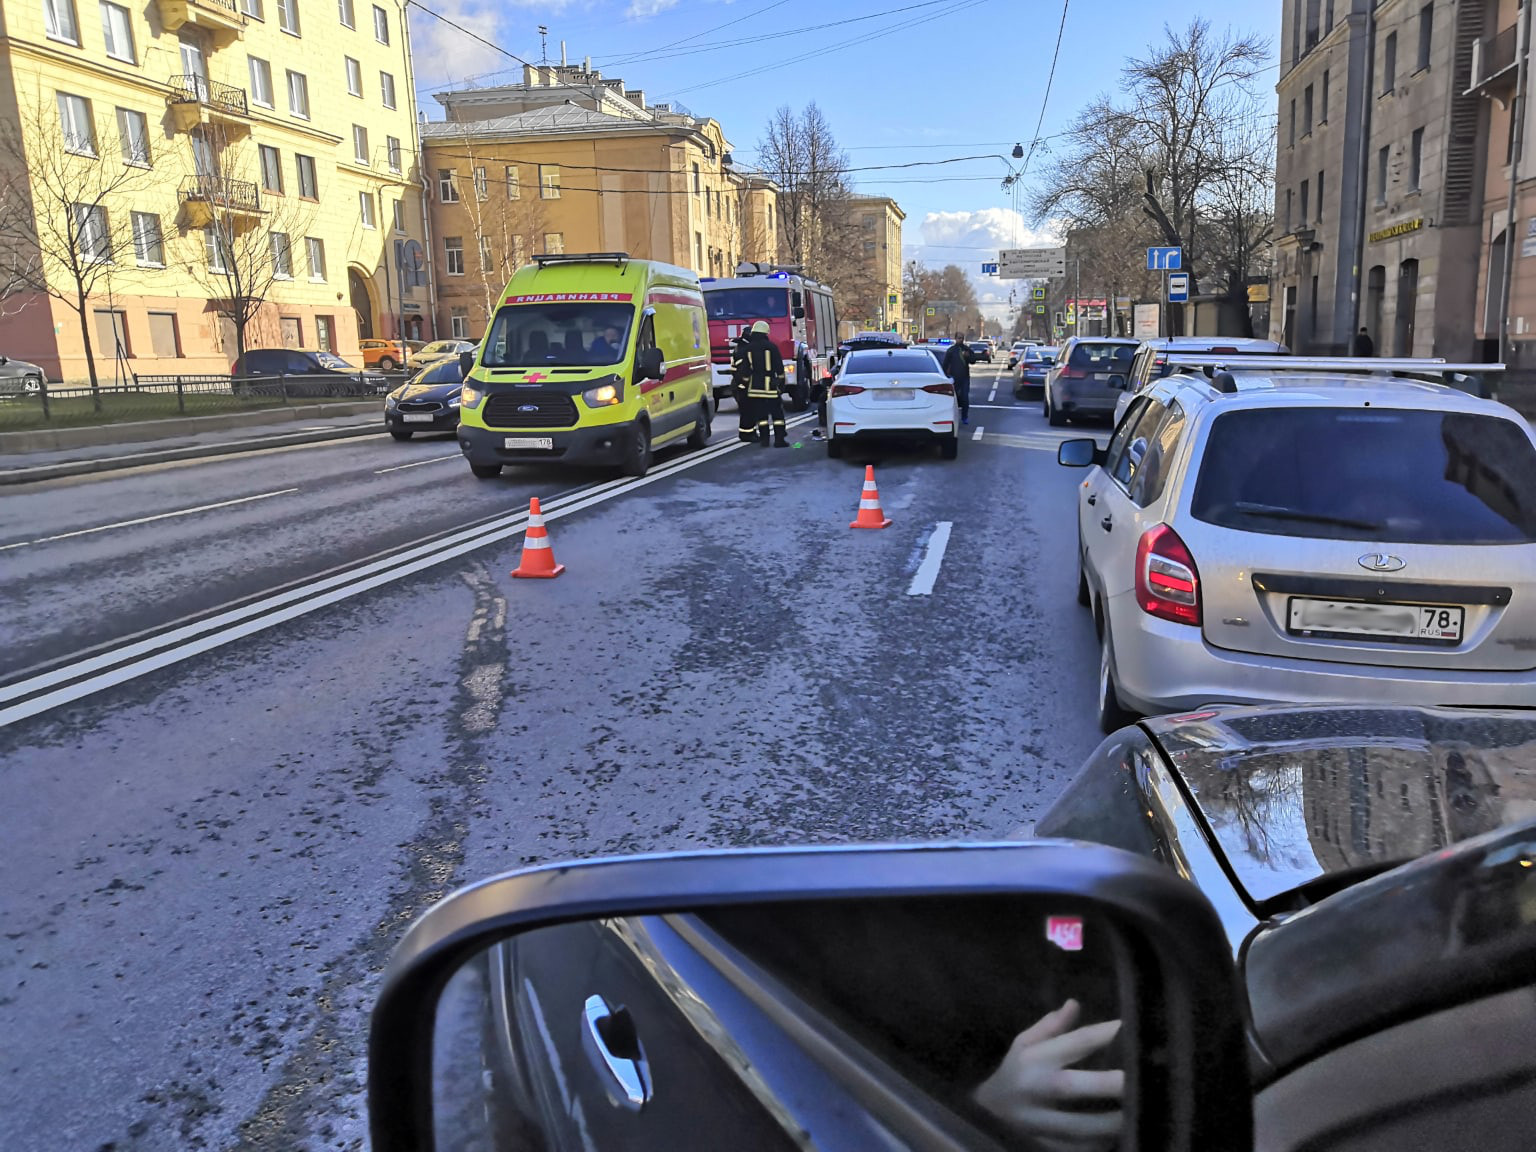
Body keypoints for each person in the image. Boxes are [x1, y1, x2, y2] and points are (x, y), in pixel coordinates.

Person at [732, 320, 788, 447]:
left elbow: (745, 371)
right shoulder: (772, 347)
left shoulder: (748, 349)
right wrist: (781, 383)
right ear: (765, 333)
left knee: (761, 416)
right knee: (777, 415)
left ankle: (764, 440)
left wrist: (744, 385)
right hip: (771, 387)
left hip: (755, 388)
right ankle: (779, 440)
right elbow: (779, 368)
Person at [942, 338, 973, 424]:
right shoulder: (951, 350)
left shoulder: (967, 349)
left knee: (965, 398)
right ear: (956, 339)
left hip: (964, 378)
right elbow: (945, 364)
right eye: (959, 338)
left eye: (962, 338)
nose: (961, 340)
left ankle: (964, 417)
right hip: (953, 378)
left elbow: (973, 360)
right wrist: (945, 375)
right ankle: (951, 416)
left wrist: (968, 356)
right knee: (951, 398)